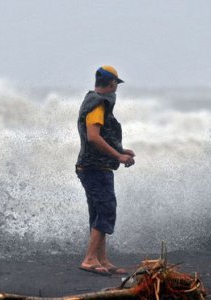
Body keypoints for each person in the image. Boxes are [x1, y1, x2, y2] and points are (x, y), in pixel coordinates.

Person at [75, 66, 135, 276]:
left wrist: (120, 150)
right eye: (116, 84)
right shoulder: (99, 104)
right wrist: (118, 157)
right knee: (106, 210)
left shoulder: (92, 100)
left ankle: (101, 259)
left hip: (91, 166)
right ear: (111, 84)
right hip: (95, 168)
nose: (115, 88)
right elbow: (93, 137)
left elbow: (99, 136)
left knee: (99, 211)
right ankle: (90, 259)